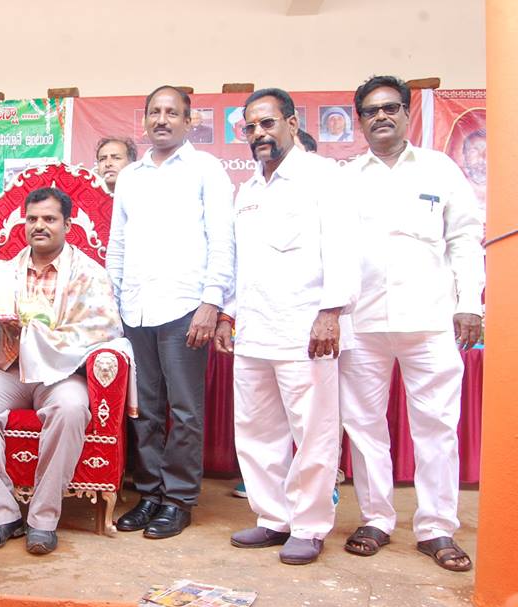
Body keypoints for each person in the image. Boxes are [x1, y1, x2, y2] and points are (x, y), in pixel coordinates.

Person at [339, 75, 484, 572]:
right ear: (359, 121)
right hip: (362, 321)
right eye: (371, 110)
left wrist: (470, 303)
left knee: (437, 426)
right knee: (363, 426)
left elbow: (464, 238)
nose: (381, 116)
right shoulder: (345, 178)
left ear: (406, 114)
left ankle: (437, 527)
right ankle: (376, 518)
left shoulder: (439, 169)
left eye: (390, 108)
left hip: (430, 319)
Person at [215, 88, 359, 565]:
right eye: (250, 127)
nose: (258, 133)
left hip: (305, 330)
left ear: (292, 124)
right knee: (256, 431)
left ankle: (309, 525)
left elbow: (344, 248)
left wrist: (331, 313)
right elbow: (240, 262)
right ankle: (273, 518)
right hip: (254, 330)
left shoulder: (324, 176)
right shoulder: (248, 189)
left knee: (314, 431)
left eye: (268, 123)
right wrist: (228, 313)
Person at [0, 187, 125, 554]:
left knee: (71, 407)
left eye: (49, 219)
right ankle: (1, 514)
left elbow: (102, 331)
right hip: (11, 368)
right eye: (32, 219)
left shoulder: (89, 274)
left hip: (61, 374)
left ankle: (43, 519)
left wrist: (33, 331)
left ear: (67, 225)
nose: (39, 226)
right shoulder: (3, 272)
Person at [108, 85, 235, 539]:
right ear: (144, 120)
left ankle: (178, 499)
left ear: (188, 121)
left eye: (171, 112)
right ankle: (149, 494)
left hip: (185, 307)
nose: (162, 120)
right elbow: (117, 244)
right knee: (143, 409)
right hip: (135, 309)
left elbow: (222, 239)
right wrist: (113, 304)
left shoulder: (206, 169)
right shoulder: (130, 176)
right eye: (154, 112)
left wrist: (212, 303)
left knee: (184, 410)